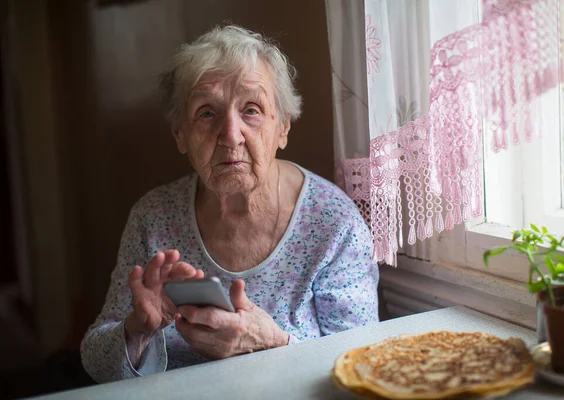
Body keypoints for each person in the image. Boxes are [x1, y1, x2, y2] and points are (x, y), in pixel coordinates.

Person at [80, 25, 379, 383]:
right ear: (180, 134)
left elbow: (363, 365)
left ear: (282, 126)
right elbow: (94, 361)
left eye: (251, 109)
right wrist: (137, 329)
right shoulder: (152, 217)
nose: (230, 135)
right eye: (207, 113)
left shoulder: (333, 221)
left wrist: (275, 343)